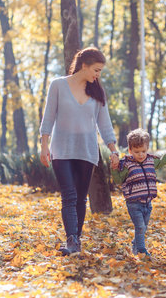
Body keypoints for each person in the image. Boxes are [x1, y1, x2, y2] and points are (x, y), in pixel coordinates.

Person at [39, 47, 119, 256]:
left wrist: (113, 149)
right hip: (62, 149)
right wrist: (44, 145)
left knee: (81, 197)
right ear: (84, 65)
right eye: (96, 70)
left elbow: (105, 123)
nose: (98, 75)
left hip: (86, 150)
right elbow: (48, 117)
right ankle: (71, 240)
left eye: (100, 71)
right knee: (69, 195)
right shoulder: (58, 85)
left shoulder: (97, 92)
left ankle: (76, 240)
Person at [110, 129, 166, 257]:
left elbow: (162, 161)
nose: (141, 155)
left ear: (147, 148)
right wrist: (114, 168)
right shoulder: (126, 164)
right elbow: (118, 180)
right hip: (134, 204)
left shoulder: (150, 161)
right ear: (130, 150)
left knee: (143, 228)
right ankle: (141, 251)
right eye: (137, 152)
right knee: (139, 227)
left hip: (147, 203)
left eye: (143, 151)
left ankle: (135, 244)